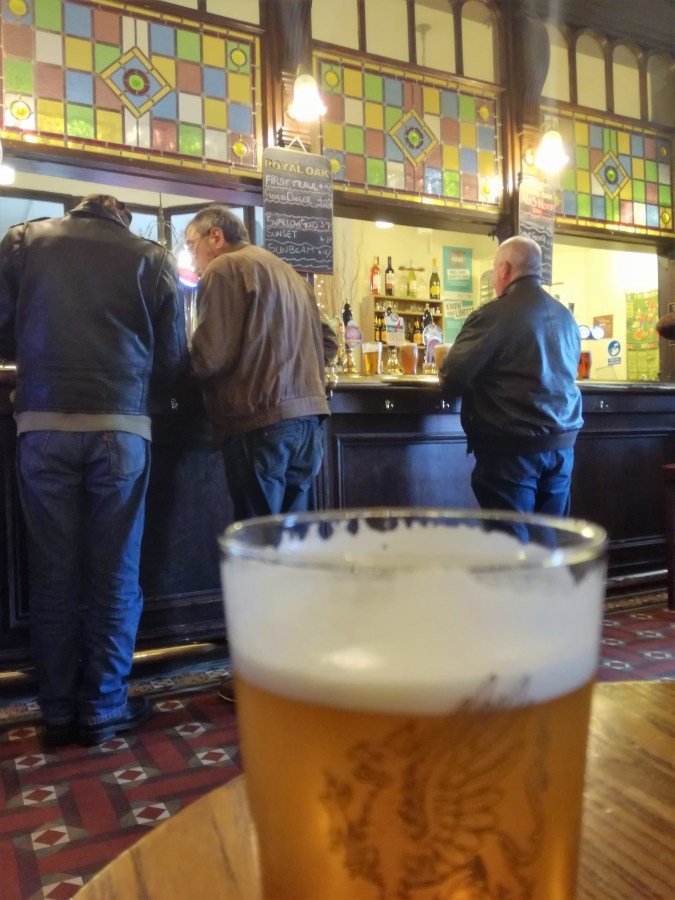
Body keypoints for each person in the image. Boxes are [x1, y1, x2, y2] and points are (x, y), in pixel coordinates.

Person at [0, 195, 189, 747]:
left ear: (75, 210)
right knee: (114, 574)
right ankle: (105, 705)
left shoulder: (22, 241)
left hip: (41, 422)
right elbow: (173, 359)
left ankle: (57, 708)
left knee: (52, 574)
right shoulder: (151, 259)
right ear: (122, 217)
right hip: (121, 425)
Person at [185, 204, 337, 701]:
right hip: (308, 421)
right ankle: (291, 666)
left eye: (191, 247)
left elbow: (210, 356)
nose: (194, 260)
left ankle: (258, 678)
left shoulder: (227, 269)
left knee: (259, 554)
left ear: (214, 237)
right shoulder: (288, 271)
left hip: (259, 421)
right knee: (287, 552)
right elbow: (330, 340)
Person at [438, 235, 582, 516]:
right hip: (562, 448)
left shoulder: (494, 315)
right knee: (550, 544)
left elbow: (453, 378)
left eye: (494, 270)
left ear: (504, 270)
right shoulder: (567, 317)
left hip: (511, 451)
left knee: (513, 547)